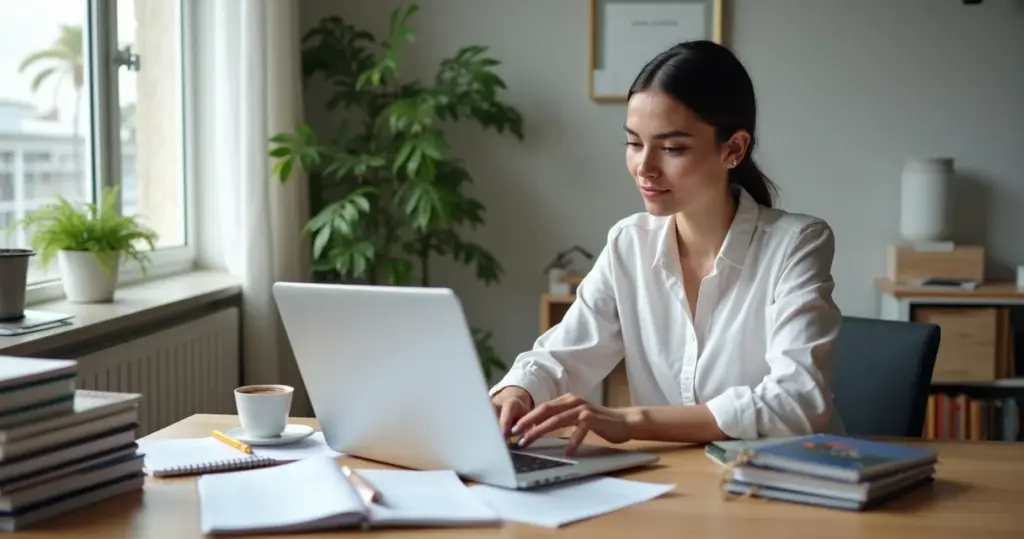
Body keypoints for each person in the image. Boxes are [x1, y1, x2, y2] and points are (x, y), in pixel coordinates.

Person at [489, 40, 844, 454]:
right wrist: (518, 391)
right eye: (634, 143)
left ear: (733, 149)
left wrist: (630, 420)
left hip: (788, 484)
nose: (645, 167)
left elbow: (798, 403)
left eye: (672, 148)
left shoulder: (796, 244)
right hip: (675, 483)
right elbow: (563, 355)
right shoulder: (629, 243)